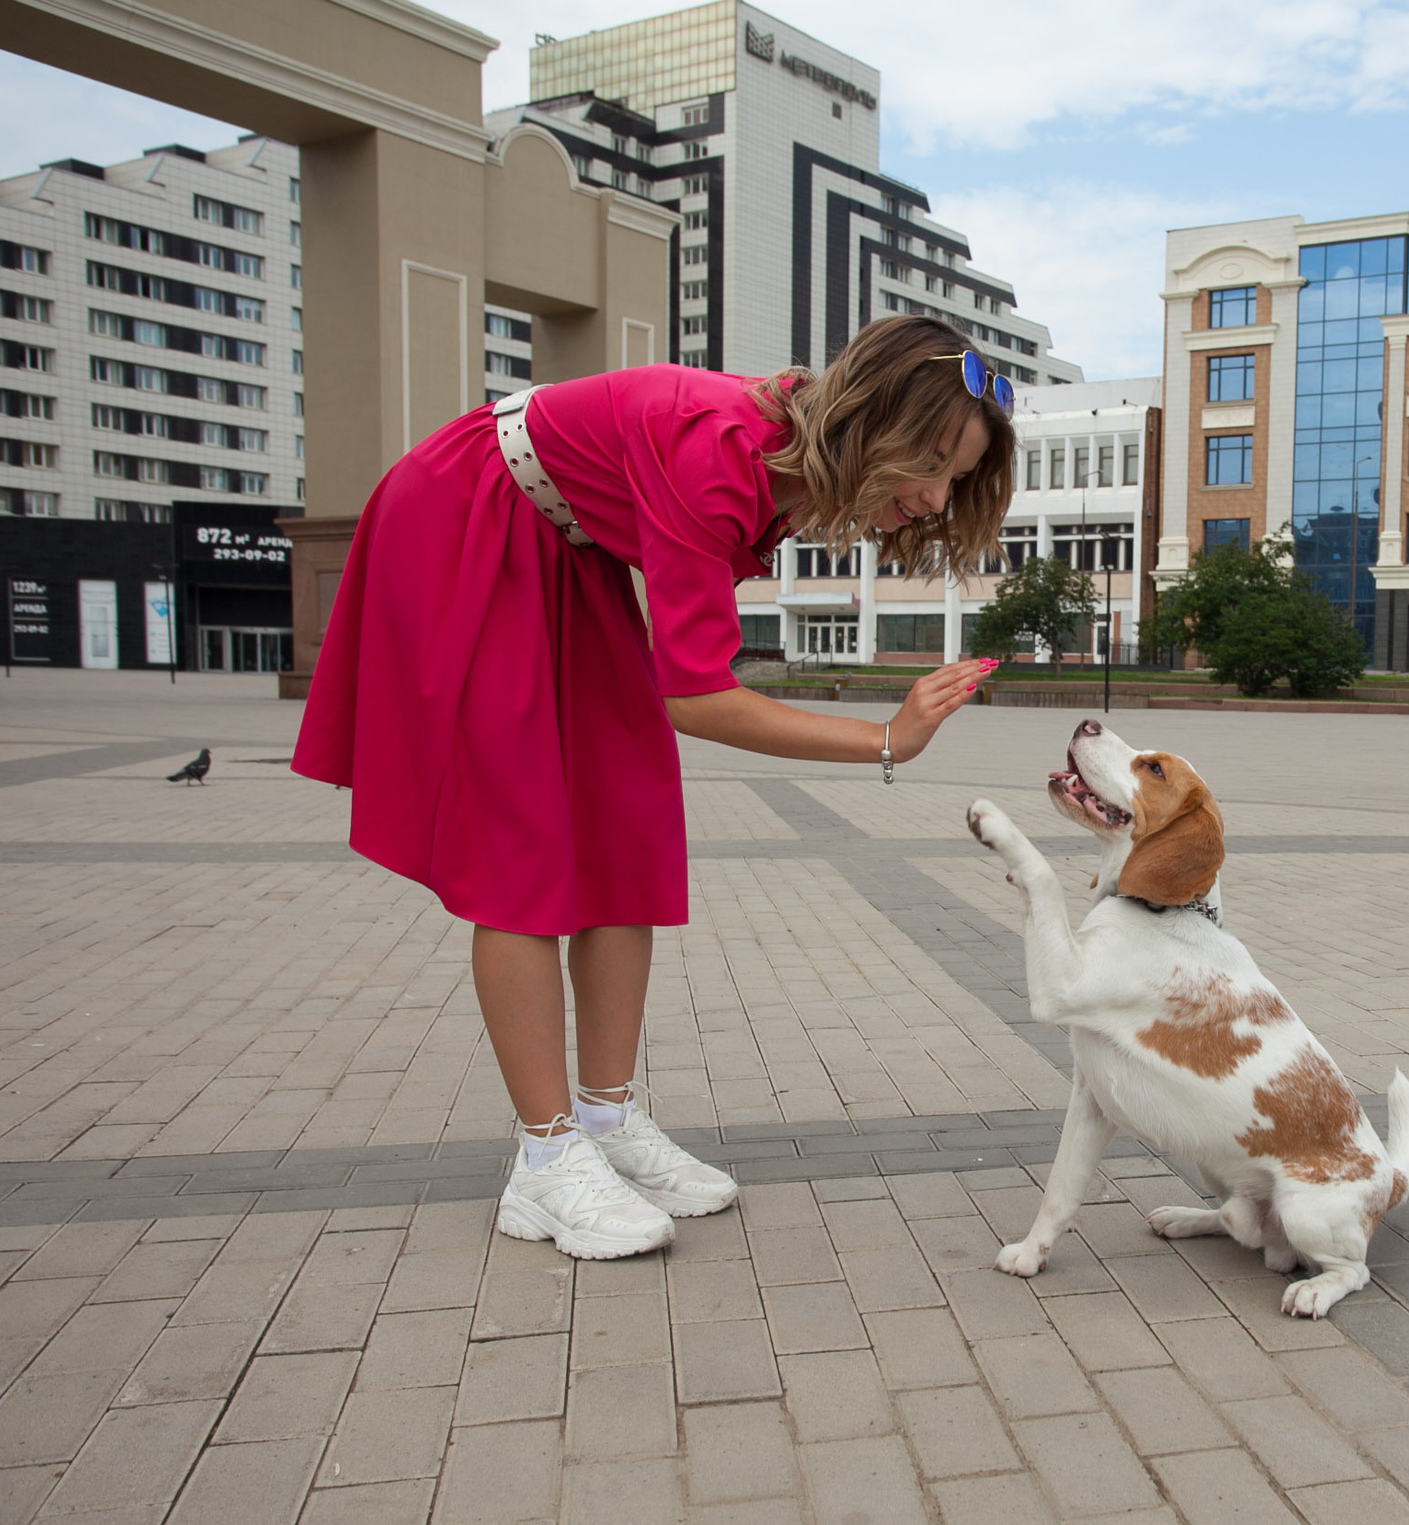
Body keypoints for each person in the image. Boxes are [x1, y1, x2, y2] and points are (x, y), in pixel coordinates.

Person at [293, 315, 1014, 1259]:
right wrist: (885, 739)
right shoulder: (715, 452)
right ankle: (546, 1161)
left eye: (956, 478)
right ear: (874, 421)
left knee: (624, 826)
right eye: (930, 462)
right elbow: (699, 696)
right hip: (469, 515)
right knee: (520, 850)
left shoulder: (793, 462)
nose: (934, 497)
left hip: (566, 544)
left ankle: (604, 1121)